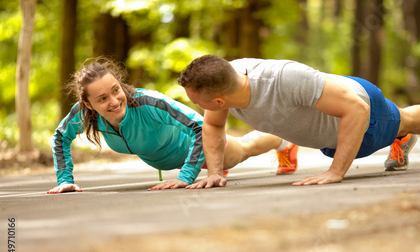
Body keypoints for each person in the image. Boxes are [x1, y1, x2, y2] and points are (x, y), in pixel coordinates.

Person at [177, 55, 420, 188]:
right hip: (331, 125)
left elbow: (355, 109)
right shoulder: (226, 81)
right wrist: (215, 172)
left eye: (195, 101)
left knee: (403, 119)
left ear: (218, 101)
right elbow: (214, 127)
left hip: (361, 108)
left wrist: (336, 172)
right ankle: (401, 138)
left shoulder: (283, 79)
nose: (196, 106)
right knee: (396, 125)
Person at [47, 58, 298, 194]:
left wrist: (186, 177)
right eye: (102, 99)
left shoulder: (148, 102)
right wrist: (65, 179)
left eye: (116, 90)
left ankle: (284, 142)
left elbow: (201, 126)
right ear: (89, 104)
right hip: (172, 158)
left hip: (196, 149)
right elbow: (60, 136)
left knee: (243, 150)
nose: (114, 101)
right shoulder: (83, 115)